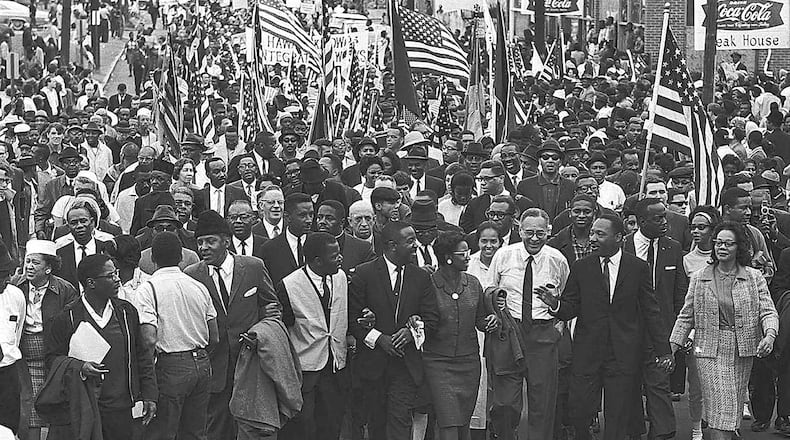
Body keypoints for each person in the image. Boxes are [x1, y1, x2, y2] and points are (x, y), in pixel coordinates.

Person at [539, 214, 674, 440]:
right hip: (588, 351)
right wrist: (555, 305)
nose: (592, 238)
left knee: (618, 414)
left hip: (624, 352)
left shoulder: (638, 267)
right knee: (579, 409)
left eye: (600, 234)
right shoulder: (582, 267)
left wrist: (663, 350)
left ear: (619, 237)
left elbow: (652, 311)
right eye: (592, 233)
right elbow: (571, 307)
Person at [671, 221, 779, 440]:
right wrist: (671, 348)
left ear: (739, 247)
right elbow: (686, 316)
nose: (722, 247)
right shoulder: (700, 277)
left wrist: (769, 335)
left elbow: (768, 312)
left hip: (742, 350)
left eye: (728, 244)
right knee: (722, 407)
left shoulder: (753, 277)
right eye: (718, 243)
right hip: (708, 350)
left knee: (732, 407)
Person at [184, 210, 281, 440]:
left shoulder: (253, 267)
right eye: (200, 242)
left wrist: (260, 331)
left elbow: (273, 307)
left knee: (252, 426)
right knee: (216, 425)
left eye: (210, 241)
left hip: (250, 362)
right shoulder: (192, 275)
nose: (204, 247)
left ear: (226, 242)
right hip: (213, 363)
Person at [43, 254, 157, 440]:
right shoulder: (67, 317)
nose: (117, 279)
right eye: (110, 275)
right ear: (91, 283)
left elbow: (142, 355)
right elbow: (51, 359)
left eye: (117, 273)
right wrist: (79, 367)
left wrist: (150, 395)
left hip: (121, 407)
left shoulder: (127, 312)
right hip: (85, 407)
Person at [347, 221, 439, 440]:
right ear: (392, 245)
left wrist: (411, 334)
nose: (416, 245)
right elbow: (352, 319)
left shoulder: (421, 277)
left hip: (406, 366)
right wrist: (380, 339)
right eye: (410, 241)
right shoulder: (364, 273)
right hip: (373, 365)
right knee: (377, 422)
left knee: (400, 421)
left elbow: (432, 319)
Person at [488, 208, 570, 440]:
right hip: (509, 332)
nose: (534, 238)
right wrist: (495, 304)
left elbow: (565, 299)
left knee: (542, 401)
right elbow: (489, 289)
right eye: (529, 232)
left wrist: (556, 314)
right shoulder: (504, 255)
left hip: (542, 334)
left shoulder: (557, 260)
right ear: (519, 230)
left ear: (548, 232)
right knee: (505, 402)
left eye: (540, 233)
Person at [139, 232, 218, 440]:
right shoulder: (198, 287)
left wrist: (146, 379)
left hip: (170, 366)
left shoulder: (148, 289)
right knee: (196, 432)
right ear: (181, 257)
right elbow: (214, 336)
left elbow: (148, 338)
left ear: (152, 259)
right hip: (202, 364)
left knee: (163, 432)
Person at [623, 198, 688, 439]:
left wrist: (679, 331)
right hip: (627, 329)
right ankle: (634, 430)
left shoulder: (673, 248)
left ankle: (662, 433)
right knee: (629, 386)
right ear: (641, 222)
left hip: (661, 331)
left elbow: (679, 293)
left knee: (659, 385)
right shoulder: (623, 247)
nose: (664, 222)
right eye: (658, 218)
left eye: (665, 217)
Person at [424, 231, 498, 440]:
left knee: (464, 419)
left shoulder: (473, 283)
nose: (468, 256)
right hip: (438, 363)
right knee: (448, 419)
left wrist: (490, 321)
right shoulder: (429, 284)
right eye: (462, 253)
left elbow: (481, 320)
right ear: (448, 257)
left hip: (469, 363)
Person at [276, 232, 350, 440]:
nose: (340, 258)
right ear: (317, 261)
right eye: (334, 255)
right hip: (305, 370)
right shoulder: (288, 285)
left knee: (332, 423)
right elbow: (283, 326)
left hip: (335, 366)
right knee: (304, 427)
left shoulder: (341, 277)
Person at [14, 240, 79, 440]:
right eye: (27, 262)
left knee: (55, 402)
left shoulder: (65, 290)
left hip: (55, 354)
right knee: (30, 405)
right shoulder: (17, 286)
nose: (29, 267)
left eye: (35, 263)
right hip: (25, 354)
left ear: (49, 268)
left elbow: (73, 324)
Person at [682, 205, 721, 440]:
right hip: (698, 328)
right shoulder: (686, 260)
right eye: (693, 227)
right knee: (696, 384)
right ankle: (696, 426)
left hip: (725, 327)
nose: (696, 231)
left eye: (702, 227)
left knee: (722, 382)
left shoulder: (725, 256)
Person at [465, 221, 502, 438]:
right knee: (479, 380)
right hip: (476, 329)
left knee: (500, 381)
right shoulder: (469, 263)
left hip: (502, 329)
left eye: (493, 241)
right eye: (484, 241)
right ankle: (477, 429)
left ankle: (502, 427)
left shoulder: (507, 259)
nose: (489, 246)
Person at [54, 201, 114, 289]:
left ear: (92, 222)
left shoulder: (106, 249)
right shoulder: (60, 253)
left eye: (83, 221)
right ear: (68, 226)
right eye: (74, 223)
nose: (79, 226)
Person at [261, 192, 314, 285]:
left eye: (311, 214)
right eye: (302, 215)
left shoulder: (320, 244)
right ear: (287, 217)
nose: (309, 220)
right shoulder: (269, 249)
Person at [0, 239, 25, 435]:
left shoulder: (15, 296)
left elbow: (17, 334)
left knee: (9, 429)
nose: (7, 279)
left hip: (7, 373)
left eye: (8, 274)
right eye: (1, 275)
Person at [516, 140, 574, 220]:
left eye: (555, 158)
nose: (550, 161)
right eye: (545, 157)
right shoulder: (525, 185)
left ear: (560, 162)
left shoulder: (570, 186)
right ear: (540, 160)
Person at [315, 200, 376, 276]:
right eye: (319, 217)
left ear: (342, 222)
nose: (322, 222)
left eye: (329, 218)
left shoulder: (363, 248)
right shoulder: (308, 244)